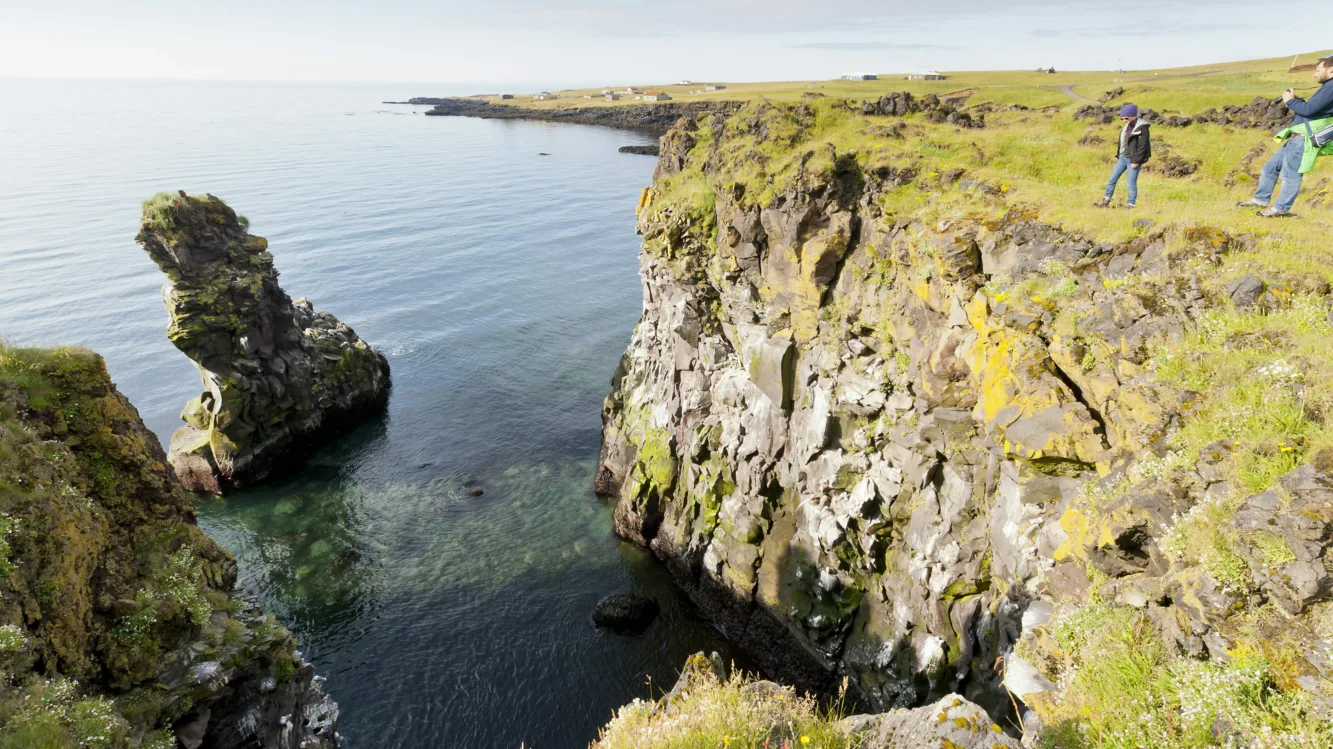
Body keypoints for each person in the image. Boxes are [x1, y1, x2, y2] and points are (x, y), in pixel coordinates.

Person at [1237, 55, 1333, 217]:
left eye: (1318, 70)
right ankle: (1261, 199)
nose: (1314, 74)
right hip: (1297, 136)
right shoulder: (1327, 87)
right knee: (1270, 167)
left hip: (1304, 138)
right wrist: (1297, 100)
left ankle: (1281, 209)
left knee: (1291, 174)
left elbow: (1309, 110)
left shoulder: (1331, 87)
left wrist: (1289, 101)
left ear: (1331, 70)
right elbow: (1313, 109)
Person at [1094, 104, 1151, 209]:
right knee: (1112, 179)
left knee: (1130, 183)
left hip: (1133, 160)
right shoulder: (1126, 126)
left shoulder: (1142, 128)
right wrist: (1120, 156)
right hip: (1122, 158)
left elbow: (1143, 146)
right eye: (1122, 118)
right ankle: (1105, 200)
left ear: (1131, 116)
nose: (1123, 120)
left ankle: (1130, 205)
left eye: (1125, 118)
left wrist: (1137, 161)